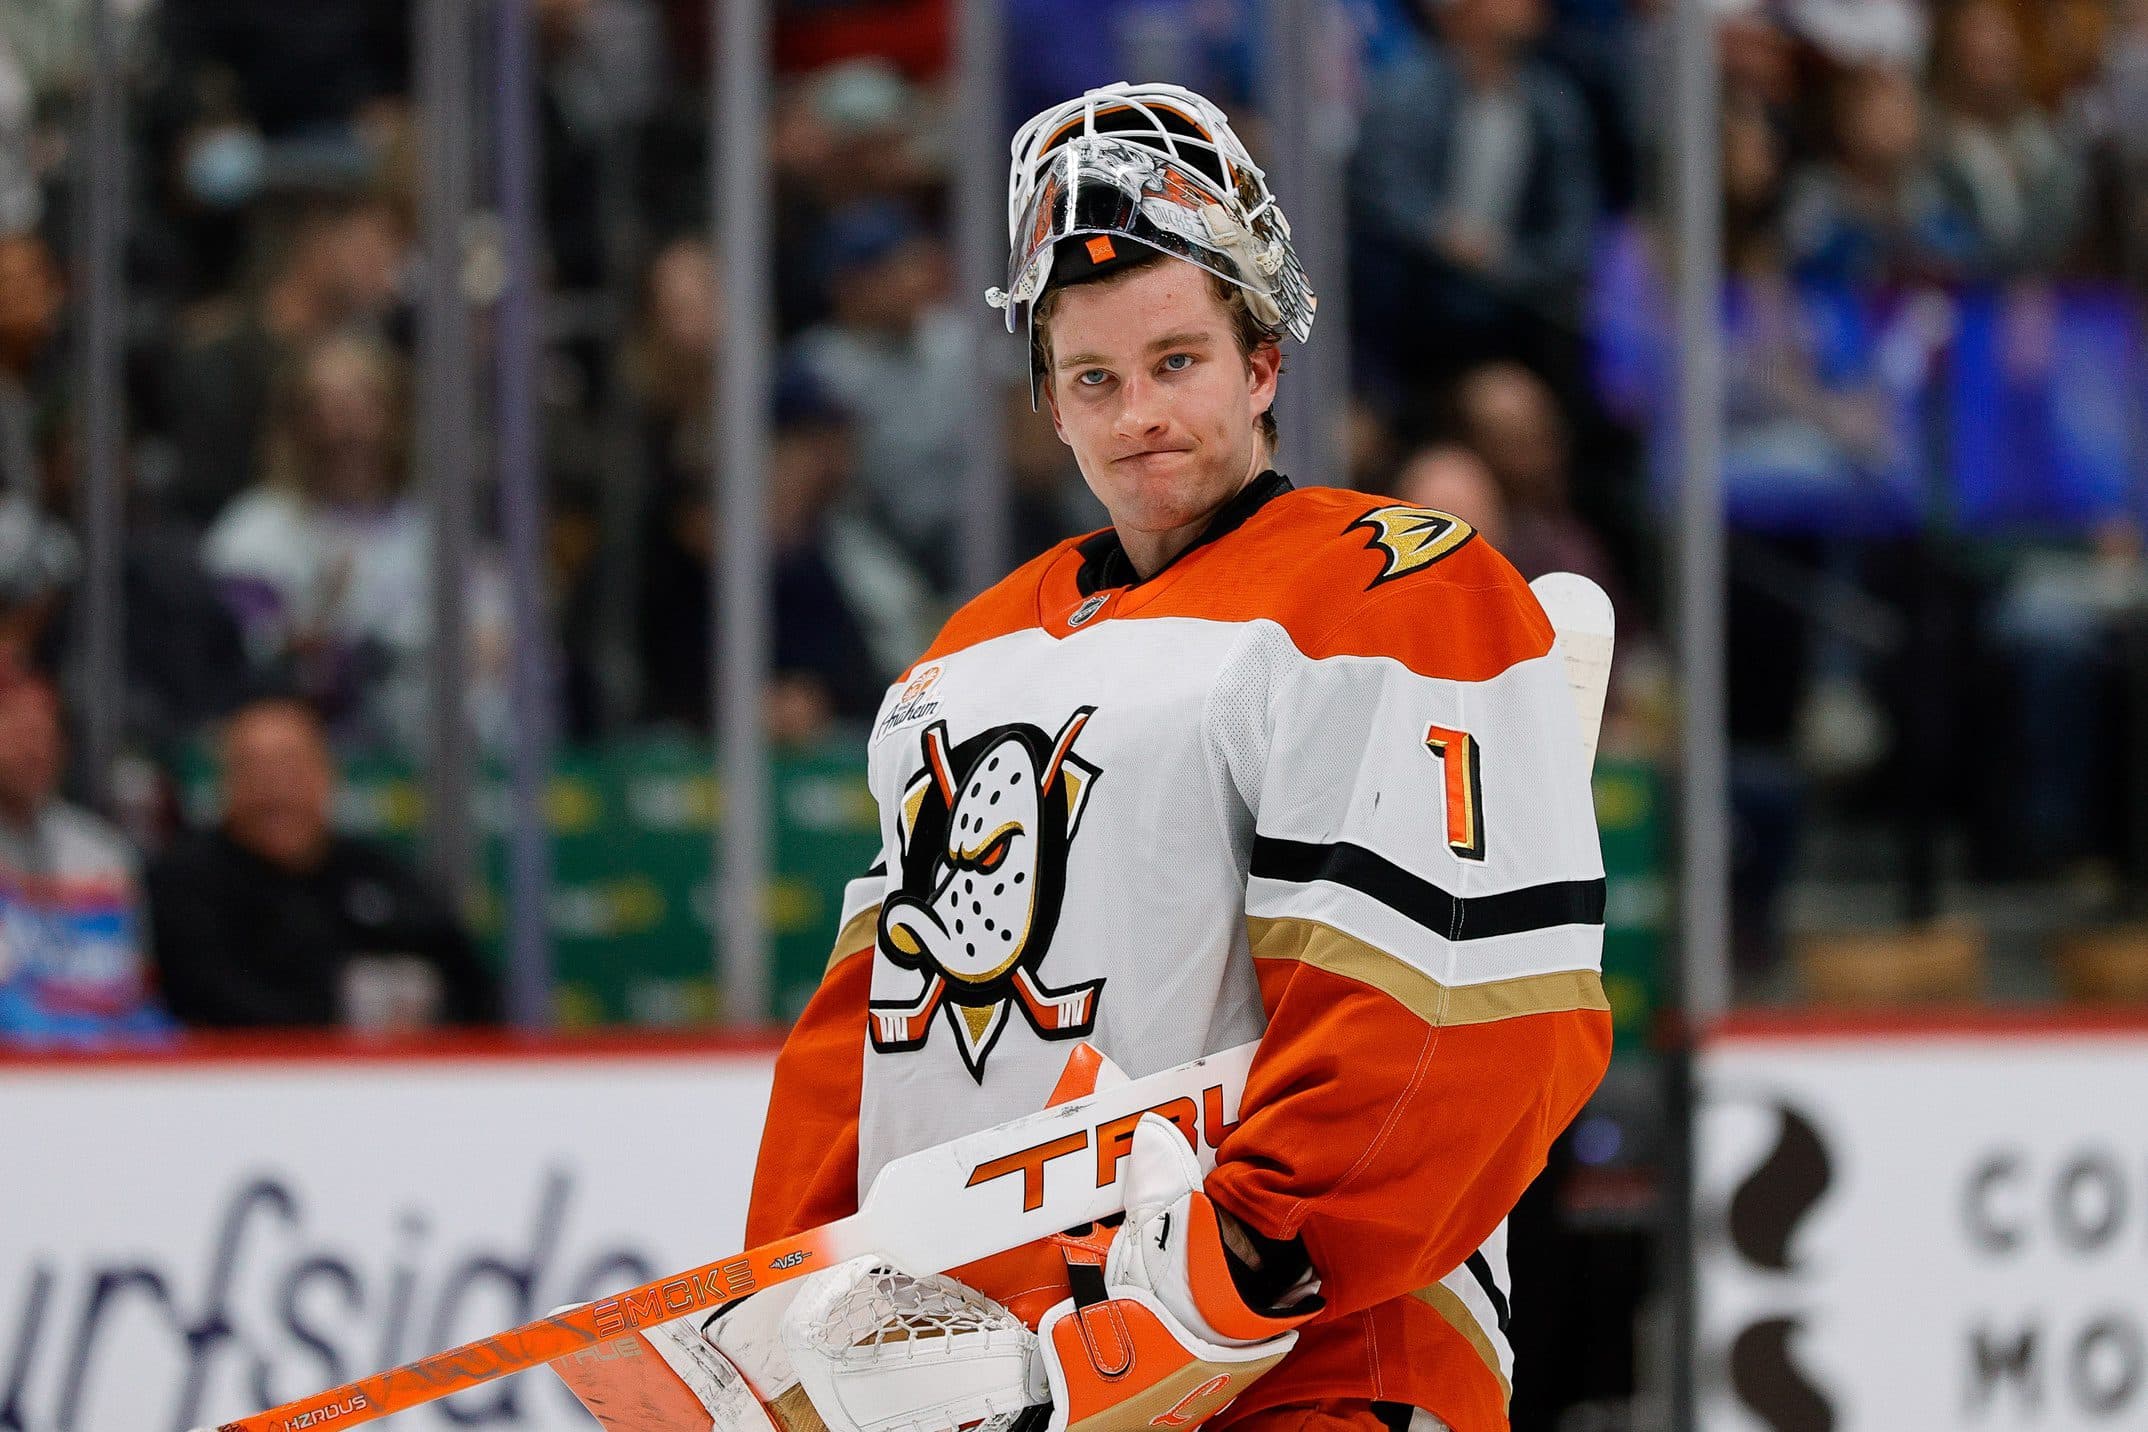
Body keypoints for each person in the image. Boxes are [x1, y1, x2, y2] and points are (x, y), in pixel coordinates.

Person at [557, 81, 1609, 1432]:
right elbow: (879, 1020)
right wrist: (789, 1291)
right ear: (1048, 405)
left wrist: (1242, 1266)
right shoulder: (967, 657)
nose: (1137, 415)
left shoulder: (1391, 591)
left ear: (1262, 366)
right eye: (1093, 379)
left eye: (1178, 361)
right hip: (1017, 1384)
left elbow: (1470, 1009)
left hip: (1320, 1370)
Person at [147, 697, 500, 1029]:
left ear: (325, 774)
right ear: (228, 782)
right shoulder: (188, 884)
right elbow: (204, 997)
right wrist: (337, 1014)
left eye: (290, 767)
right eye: (256, 770)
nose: (276, 790)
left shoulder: (377, 874)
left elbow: (470, 984)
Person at [0, 670, 169, 1044]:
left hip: (98, 1066)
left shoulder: (103, 851)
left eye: (46, 734)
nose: (34, 749)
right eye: (16, 731)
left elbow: (132, 982)